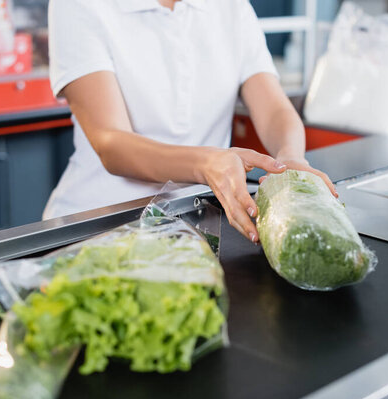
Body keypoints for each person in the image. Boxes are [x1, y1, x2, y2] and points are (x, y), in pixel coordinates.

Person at [44, 0, 337, 243]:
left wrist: (288, 158)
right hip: (97, 227)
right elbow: (111, 143)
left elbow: (273, 107)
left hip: (195, 228)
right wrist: (206, 163)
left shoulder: (230, 7)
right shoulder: (80, 5)